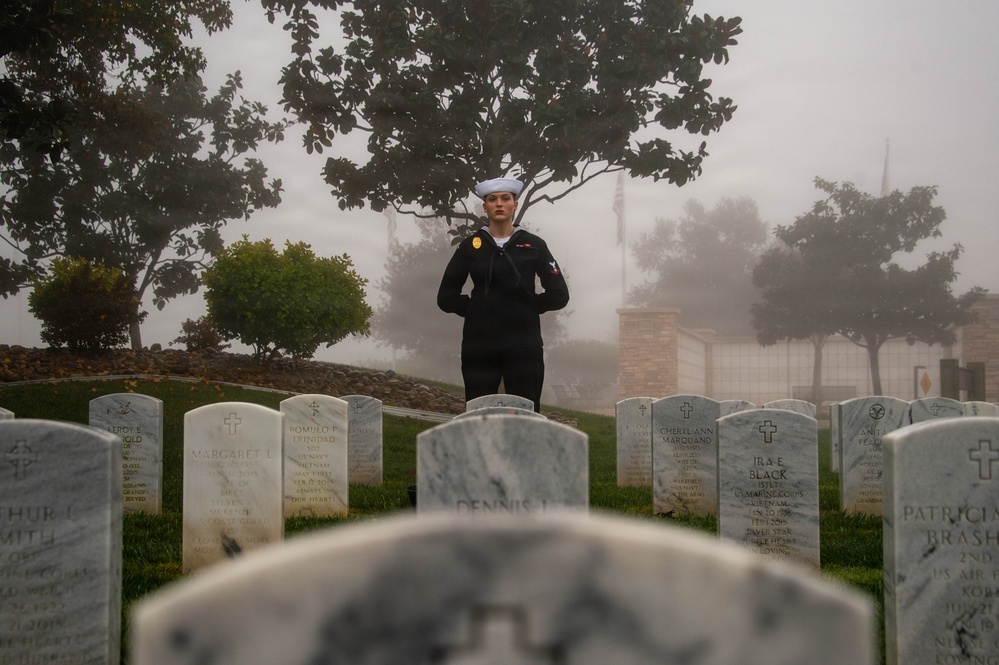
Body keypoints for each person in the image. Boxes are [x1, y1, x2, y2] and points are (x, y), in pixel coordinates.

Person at [437, 177, 569, 412]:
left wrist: (527, 306)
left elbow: (559, 294)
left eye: (505, 199)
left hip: (524, 344)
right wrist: (478, 309)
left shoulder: (534, 245)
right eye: (492, 199)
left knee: (526, 414)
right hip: (479, 344)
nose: (499, 204)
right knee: (478, 415)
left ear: (515, 205)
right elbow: (446, 297)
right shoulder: (470, 246)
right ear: (485, 206)